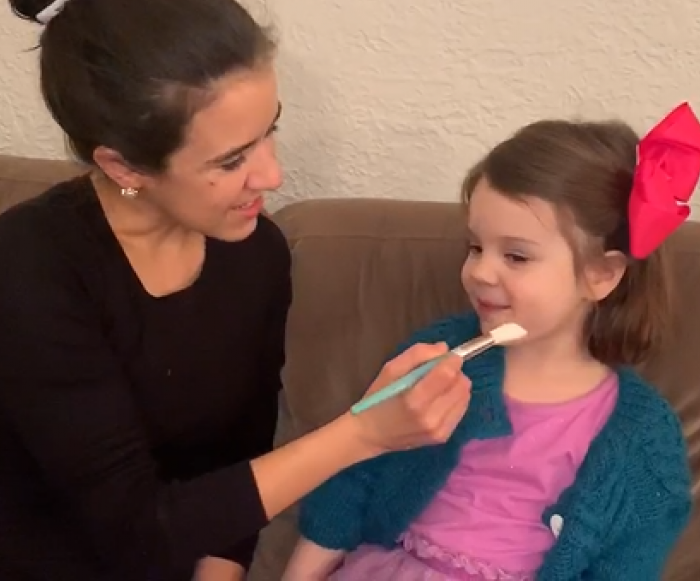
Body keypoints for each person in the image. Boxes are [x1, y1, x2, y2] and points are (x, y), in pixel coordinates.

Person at [0, 0, 472, 581]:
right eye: (231, 161)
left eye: (269, 129)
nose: (273, 175)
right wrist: (364, 432)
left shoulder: (255, 255)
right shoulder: (32, 268)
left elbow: (232, 463)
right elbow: (139, 528)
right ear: (123, 167)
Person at [283, 110, 697, 580]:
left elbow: (628, 563)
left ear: (601, 274)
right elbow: (351, 483)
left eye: (516, 256)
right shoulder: (438, 355)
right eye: (475, 247)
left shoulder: (642, 437)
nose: (480, 272)